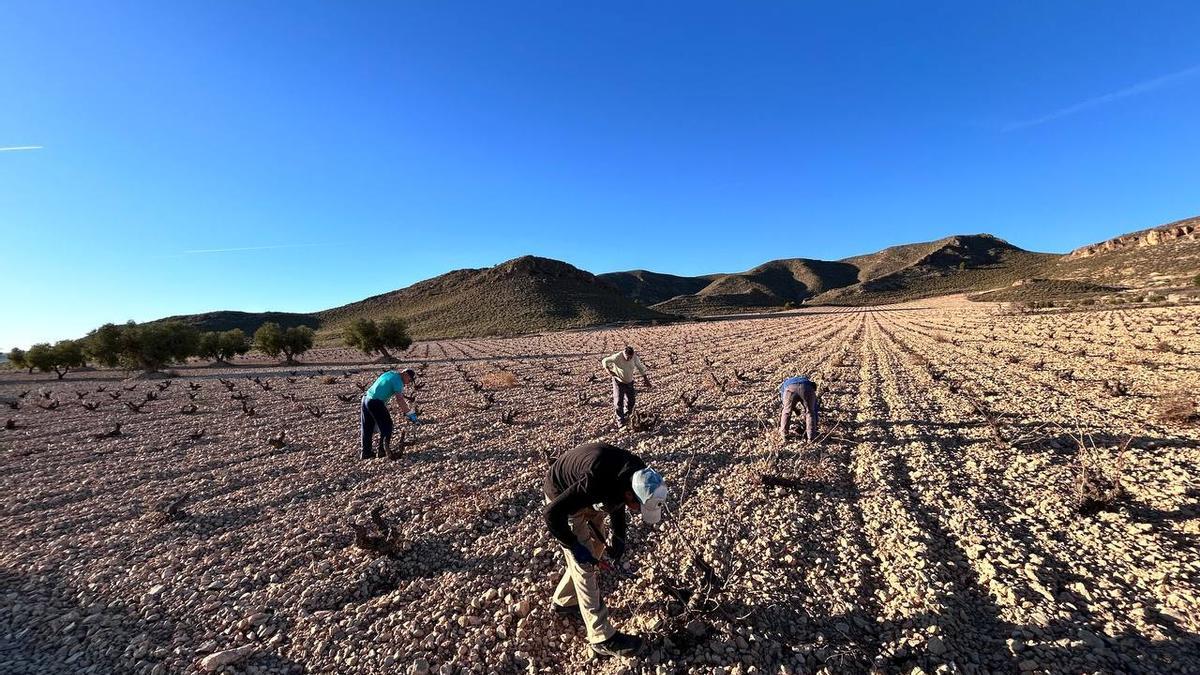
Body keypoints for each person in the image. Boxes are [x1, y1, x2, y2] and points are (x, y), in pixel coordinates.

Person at [544, 441, 667, 658]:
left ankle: (563, 601)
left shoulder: (638, 473)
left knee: (597, 548)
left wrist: (619, 539)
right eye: (639, 507)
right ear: (631, 495)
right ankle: (601, 637)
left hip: (590, 495)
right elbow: (552, 515)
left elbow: (618, 502)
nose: (638, 511)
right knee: (584, 564)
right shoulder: (597, 480)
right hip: (562, 496)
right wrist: (574, 546)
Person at [360, 367, 420, 459]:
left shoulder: (391, 373)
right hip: (375, 402)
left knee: (367, 427)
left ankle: (366, 453)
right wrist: (409, 413)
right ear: (405, 374)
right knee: (387, 426)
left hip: (366, 399)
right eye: (410, 380)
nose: (408, 382)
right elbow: (399, 399)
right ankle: (382, 451)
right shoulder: (398, 381)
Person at [601, 346, 652, 427]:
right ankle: (620, 421)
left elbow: (640, 367)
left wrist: (645, 379)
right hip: (619, 382)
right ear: (624, 353)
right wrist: (608, 371)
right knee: (618, 402)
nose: (629, 359)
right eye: (628, 357)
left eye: (630, 358)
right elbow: (604, 360)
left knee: (631, 401)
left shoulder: (634, 356)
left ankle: (628, 415)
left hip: (629, 382)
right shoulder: (617, 357)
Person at [779, 375, 819, 441]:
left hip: (790, 388)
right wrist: (816, 423)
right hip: (806, 388)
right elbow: (814, 408)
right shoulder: (809, 385)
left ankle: (784, 435)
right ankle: (811, 437)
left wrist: (794, 409)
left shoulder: (786, 383)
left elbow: (785, 403)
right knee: (810, 413)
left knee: (786, 412)